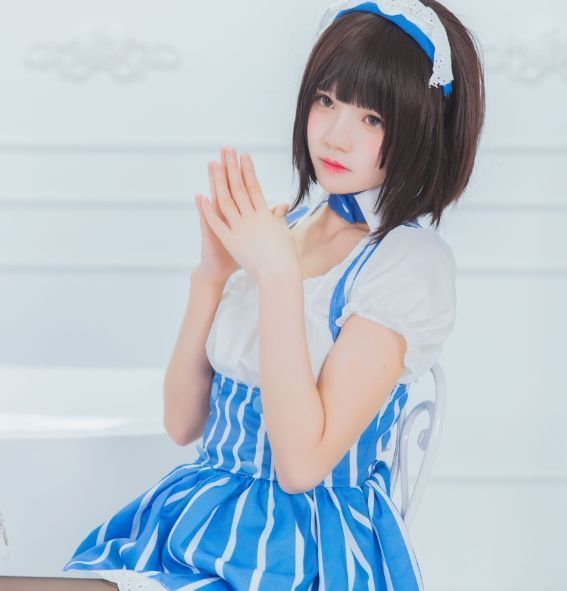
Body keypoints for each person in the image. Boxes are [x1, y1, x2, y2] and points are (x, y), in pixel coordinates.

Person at [61, 1, 485, 589]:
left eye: (373, 119)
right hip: (198, 514)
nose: (335, 135)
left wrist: (277, 275)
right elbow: (182, 424)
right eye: (326, 100)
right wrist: (212, 274)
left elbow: (301, 466)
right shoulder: (286, 228)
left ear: (421, 131)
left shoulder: (406, 264)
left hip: (303, 544)